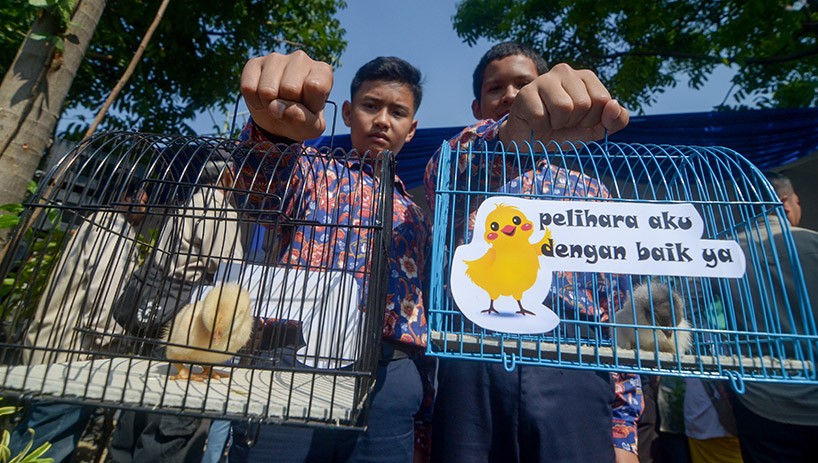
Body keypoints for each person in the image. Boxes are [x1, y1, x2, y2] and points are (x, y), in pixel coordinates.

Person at [422, 42, 642, 463]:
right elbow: (452, 166)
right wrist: (510, 135)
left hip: (574, 363)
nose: (510, 94)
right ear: (477, 105)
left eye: (524, 84)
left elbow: (615, 308)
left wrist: (623, 429)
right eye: (496, 88)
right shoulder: (456, 172)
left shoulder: (591, 194)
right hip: (471, 360)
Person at [227, 52, 432, 463]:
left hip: (390, 370)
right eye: (371, 106)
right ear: (347, 113)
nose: (382, 120)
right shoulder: (310, 168)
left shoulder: (418, 213)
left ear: (411, 130)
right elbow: (259, 191)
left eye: (397, 111)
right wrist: (273, 135)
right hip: (294, 358)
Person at [109, 152, 245, 463]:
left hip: (151, 310)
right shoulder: (220, 210)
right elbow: (230, 270)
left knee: (137, 404)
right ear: (228, 176)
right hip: (181, 319)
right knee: (170, 421)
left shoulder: (188, 204)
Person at [10, 180, 148, 463]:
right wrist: (112, 341)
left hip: (50, 350)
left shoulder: (95, 223)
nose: (145, 208)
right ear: (124, 196)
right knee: (47, 447)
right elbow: (104, 296)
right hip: (71, 359)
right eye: (143, 200)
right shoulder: (115, 231)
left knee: (32, 438)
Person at [724, 171, 818, 462]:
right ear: (785, 203)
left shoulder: (724, 253)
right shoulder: (815, 244)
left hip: (759, 400)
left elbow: (696, 319)